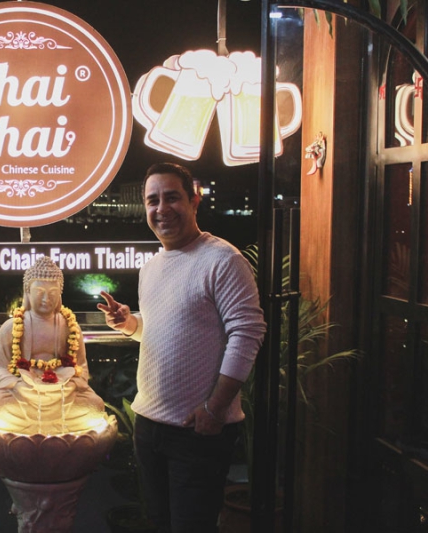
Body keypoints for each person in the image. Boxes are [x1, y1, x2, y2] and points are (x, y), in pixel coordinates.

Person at [97, 162, 266, 533]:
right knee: (160, 524)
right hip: (149, 425)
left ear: (194, 201)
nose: (162, 209)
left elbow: (248, 333)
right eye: (152, 200)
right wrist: (129, 324)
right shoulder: (151, 268)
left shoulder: (223, 259)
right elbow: (163, 331)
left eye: (172, 197)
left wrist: (215, 408)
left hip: (198, 431)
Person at [0, 256, 105, 435]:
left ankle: (34, 427)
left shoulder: (69, 326)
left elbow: (81, 367)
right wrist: (18, 385)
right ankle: (54, 427)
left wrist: (70, 385)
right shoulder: (11, 327)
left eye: (52, 293)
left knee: (95, 407)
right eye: (39, 292)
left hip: (62, 393)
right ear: (28, 292)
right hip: (23, 393)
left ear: (60, 294)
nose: (46, 298)